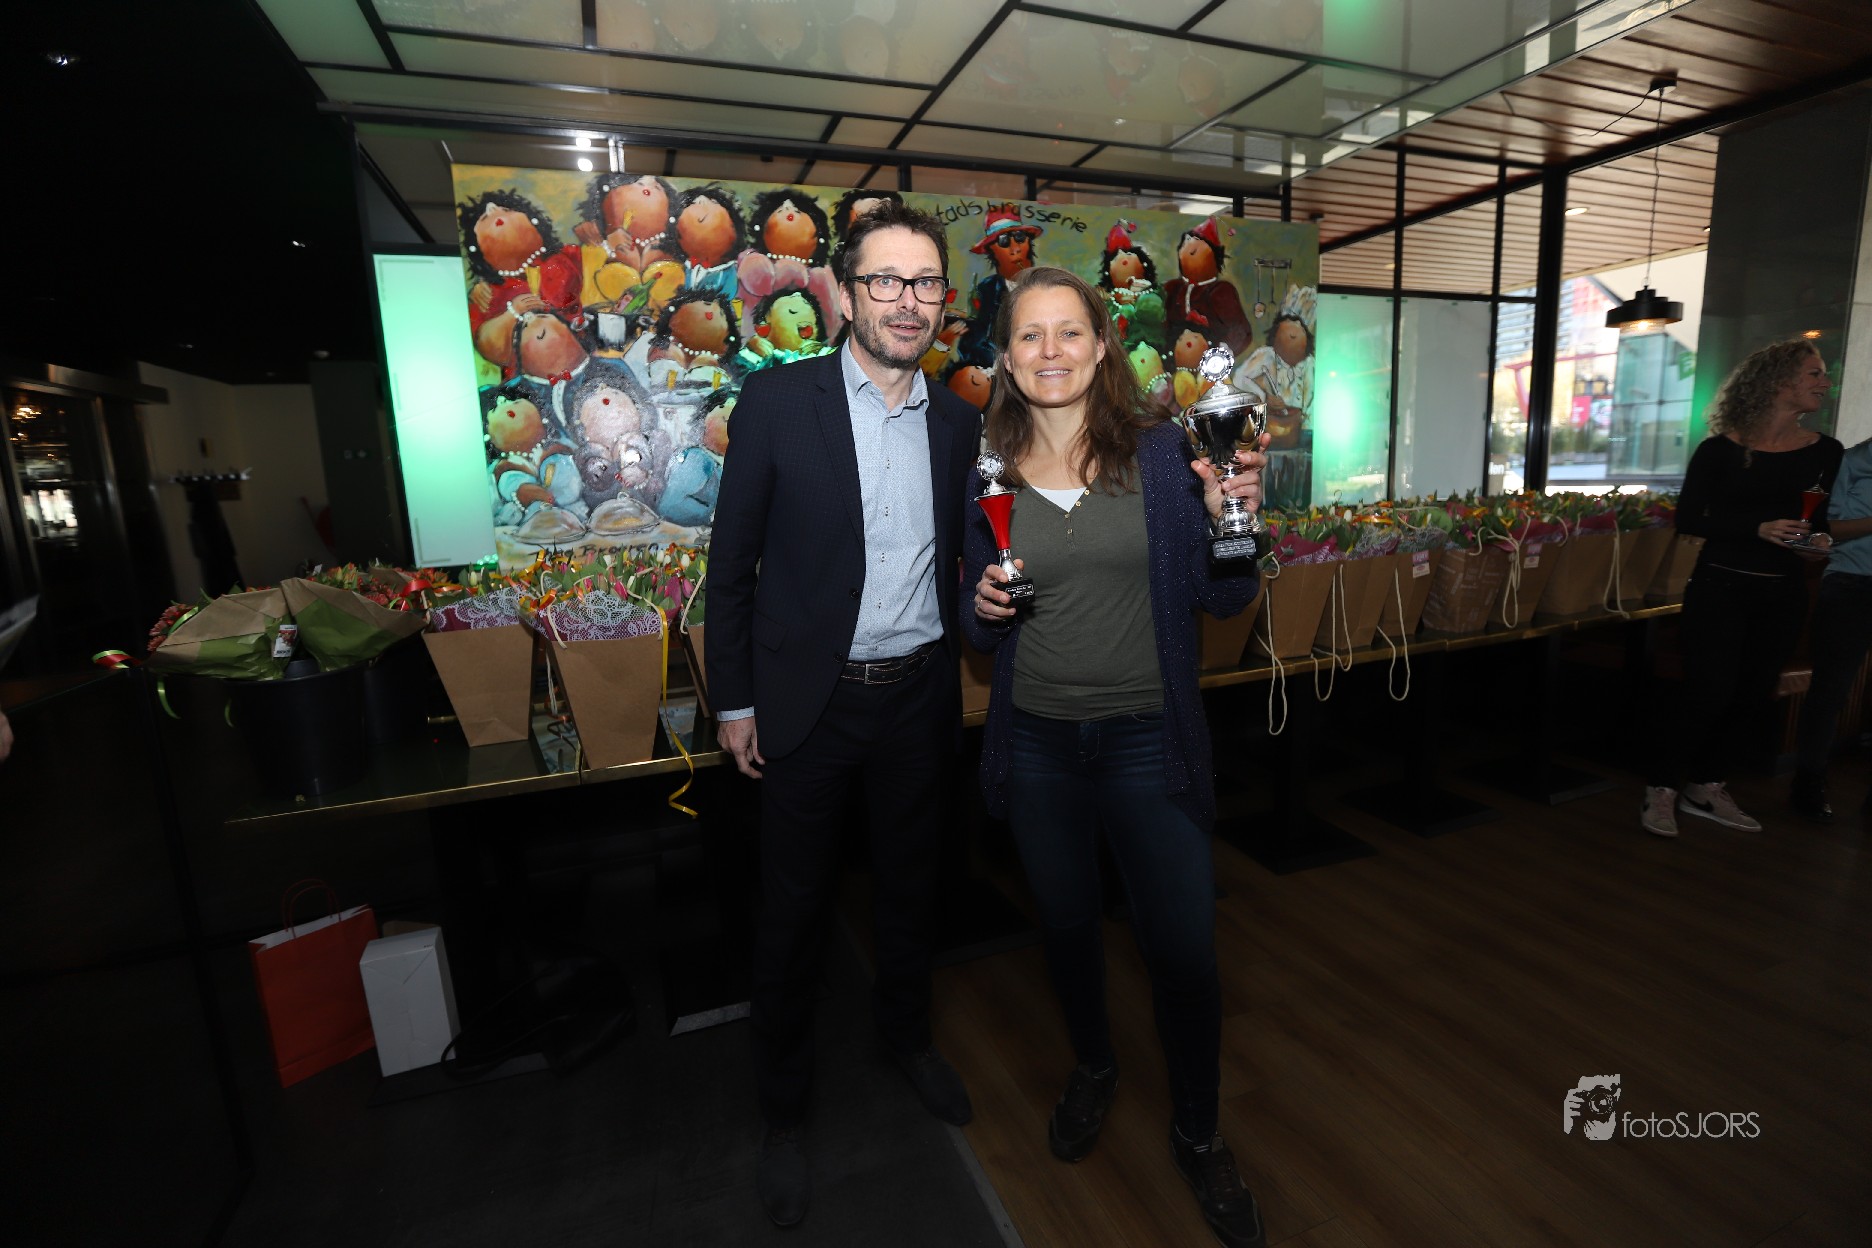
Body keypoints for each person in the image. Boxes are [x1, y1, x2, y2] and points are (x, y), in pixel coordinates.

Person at [964, 266, 1268, 1248]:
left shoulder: (1166, 455)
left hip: (1148, 739)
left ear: (1101, 347)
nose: (1049, 351)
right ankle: (1094, 1067)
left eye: (1069, 332)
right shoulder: (989, 467)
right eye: (1029, 335)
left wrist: (1235, 519)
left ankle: (1199, 1129)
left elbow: (1226, 597)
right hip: (1039, 743)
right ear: (1007, 356)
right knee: (1065, 929)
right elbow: (976, 619)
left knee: (1182, 950)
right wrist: (981, 609)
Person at [706, 200, 980, 1229]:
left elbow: (967, 557)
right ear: (846, 292)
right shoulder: (780, 402)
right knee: (792, 916)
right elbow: (731, 564)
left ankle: (906, 1040)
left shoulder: (956, 421)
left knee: (913, 890)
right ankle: (783, 1112)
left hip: (917, 696)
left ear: (942, 299)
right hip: (806, 706)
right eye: (886, 281)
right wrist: (735, 699)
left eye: (925, 282)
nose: (908, 301)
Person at [1642, 339, 1844, 838]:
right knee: (1707, 692)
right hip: (1719, 588)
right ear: (1777, 381)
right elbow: (1690, 519)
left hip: (1784, 593)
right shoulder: (1720, 451)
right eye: (1815, 373)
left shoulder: (1826, 451)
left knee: (1752, 695)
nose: (1825, 382)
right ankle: (1661, 787)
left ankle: (1706, 786)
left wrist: (1816, 544)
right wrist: (1756, 529)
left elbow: (1817, 521)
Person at [1790, 434, 1872, 820]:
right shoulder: (1849, 462)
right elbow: (1824, 528)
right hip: (1852, 583)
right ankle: (1808, 781)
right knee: (1830, 691)